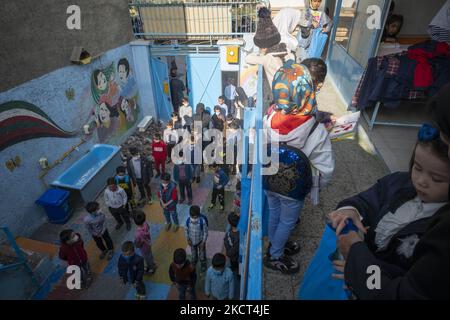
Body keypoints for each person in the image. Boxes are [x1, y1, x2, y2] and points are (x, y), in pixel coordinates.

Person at [325, 123, 450, 299]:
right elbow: (368, 200)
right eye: (417, 167)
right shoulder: (398, 182)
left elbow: (404, 281)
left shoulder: (440, 233)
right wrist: (351, 209)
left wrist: (359, 270)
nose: (421, 181)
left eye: (436, 179)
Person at [263, 58, 334, 274]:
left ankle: (274, 244)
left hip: (269, 177)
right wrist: (314, 187)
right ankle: (275, 254)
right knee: (287, 221)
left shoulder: (270, 116)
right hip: (293, 188)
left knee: (274, 211)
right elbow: (325, 170)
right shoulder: (316, 129)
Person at [185, 205, 209, 272]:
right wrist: (188, 239)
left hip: (200, 241)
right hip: (192, 241)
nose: (194, 220)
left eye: (195, 218)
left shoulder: (202, 221)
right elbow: (186, 230)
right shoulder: (188, 221)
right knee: (193, 252)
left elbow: (205, 232)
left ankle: (203, 263)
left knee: (202, 253)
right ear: (190, 215)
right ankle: (194, 261)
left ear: (198, 215)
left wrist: (203, 242)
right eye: (192, 217)